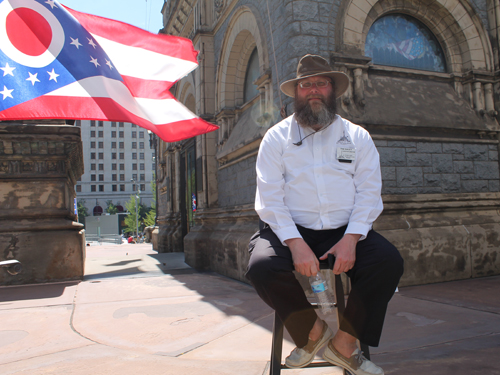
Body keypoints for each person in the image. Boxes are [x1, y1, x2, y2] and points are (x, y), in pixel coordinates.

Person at [246, 54, 404, 375]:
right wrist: (295, 243)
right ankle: (313, 334)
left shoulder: (357, 137)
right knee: (261, 266)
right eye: (306, 84)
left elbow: (369, 192)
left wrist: (352, 238)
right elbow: (271, 198)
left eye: (321, 83)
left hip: (345, 230)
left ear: (333, 90)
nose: (313, 90)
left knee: (388, 262)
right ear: (296, 92)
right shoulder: (276, 138)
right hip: (289, 229)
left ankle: (344, 345)